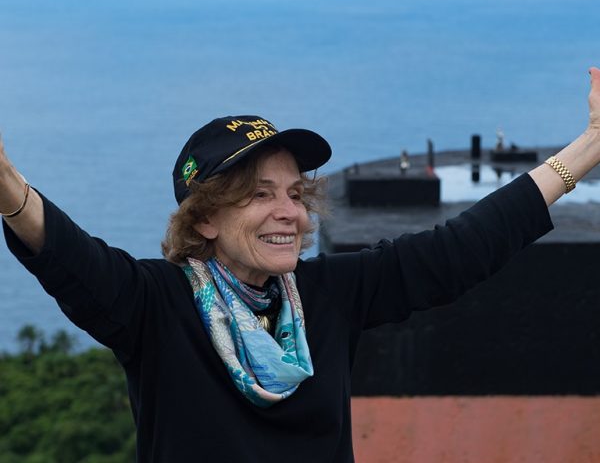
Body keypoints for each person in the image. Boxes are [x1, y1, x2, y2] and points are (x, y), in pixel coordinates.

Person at [2, 69, 600, 463]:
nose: (288, 211)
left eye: (294, 193)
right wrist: (6, 183)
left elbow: (462, 247)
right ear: (205, 219)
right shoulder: (154, 305)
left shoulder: (328, 295)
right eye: (259, 195)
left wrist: (591, 144)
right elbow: (68, 255)